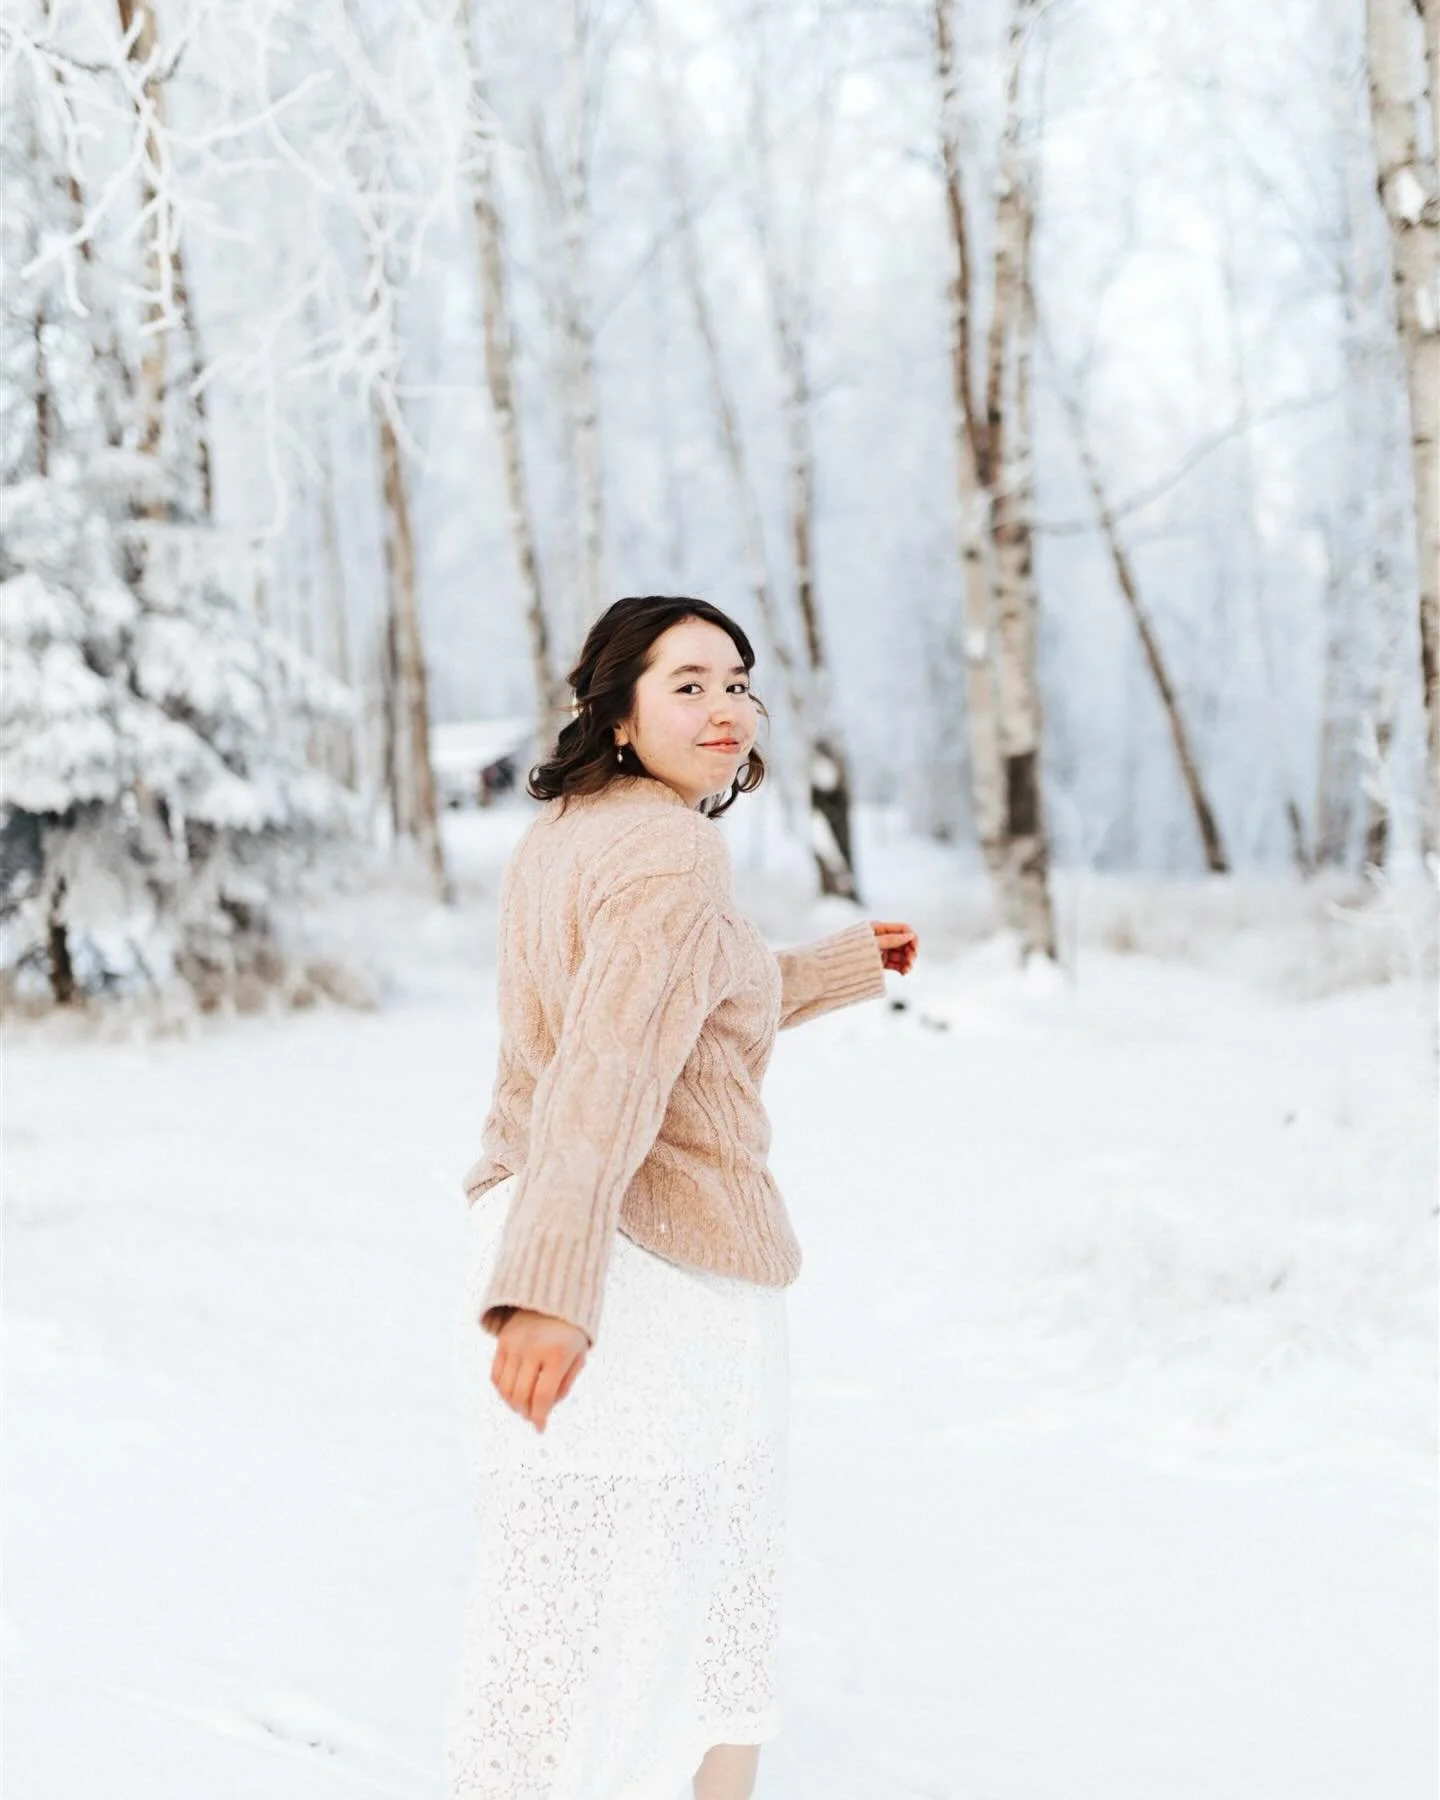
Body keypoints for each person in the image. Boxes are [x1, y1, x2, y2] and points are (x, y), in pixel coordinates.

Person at [442, 595, 918, 1800]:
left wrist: (844, 964)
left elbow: (682, 996)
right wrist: (557, 1288)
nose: (726, 710)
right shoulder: (673, 850)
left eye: (738, 683)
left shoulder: (571, 833)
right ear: (618, 711)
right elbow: (610, 1063)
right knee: (691, 1624)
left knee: (555, 1625)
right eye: (688, 684)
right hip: (651, 1263)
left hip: (546, 1221)